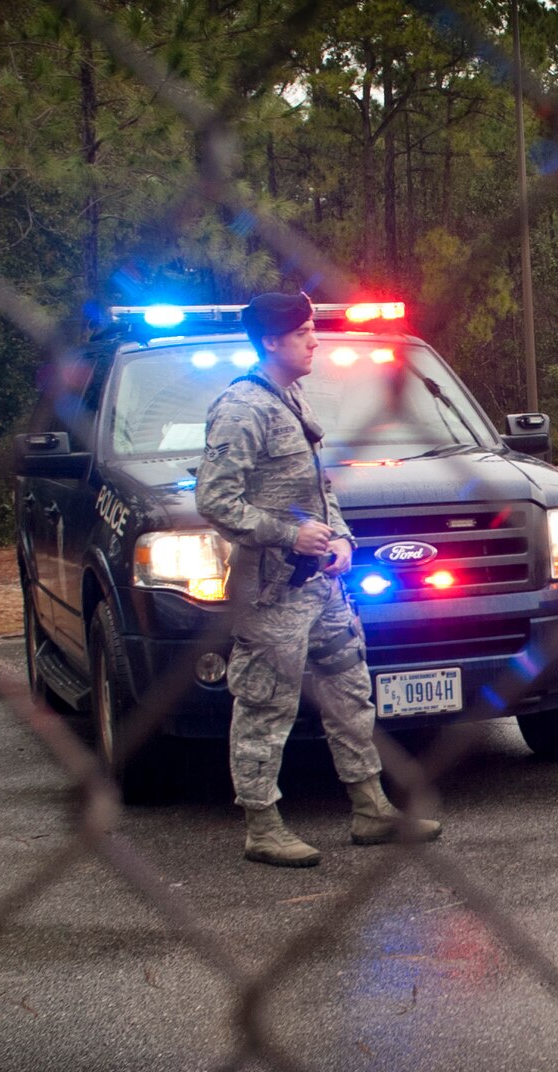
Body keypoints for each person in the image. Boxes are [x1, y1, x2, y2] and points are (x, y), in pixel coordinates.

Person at [196, 291, 442, 867]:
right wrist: (288, 535)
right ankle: (262, 824)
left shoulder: (291, 397)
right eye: (303, 332)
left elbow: (319, 488)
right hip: (270, 588)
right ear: (271, 341)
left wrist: (340, 541)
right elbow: (214, 500)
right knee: (265, 703)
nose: (315, 340)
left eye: (313, 328)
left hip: (319, 583)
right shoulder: (242, 408)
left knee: (349, 688)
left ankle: (370, 807)